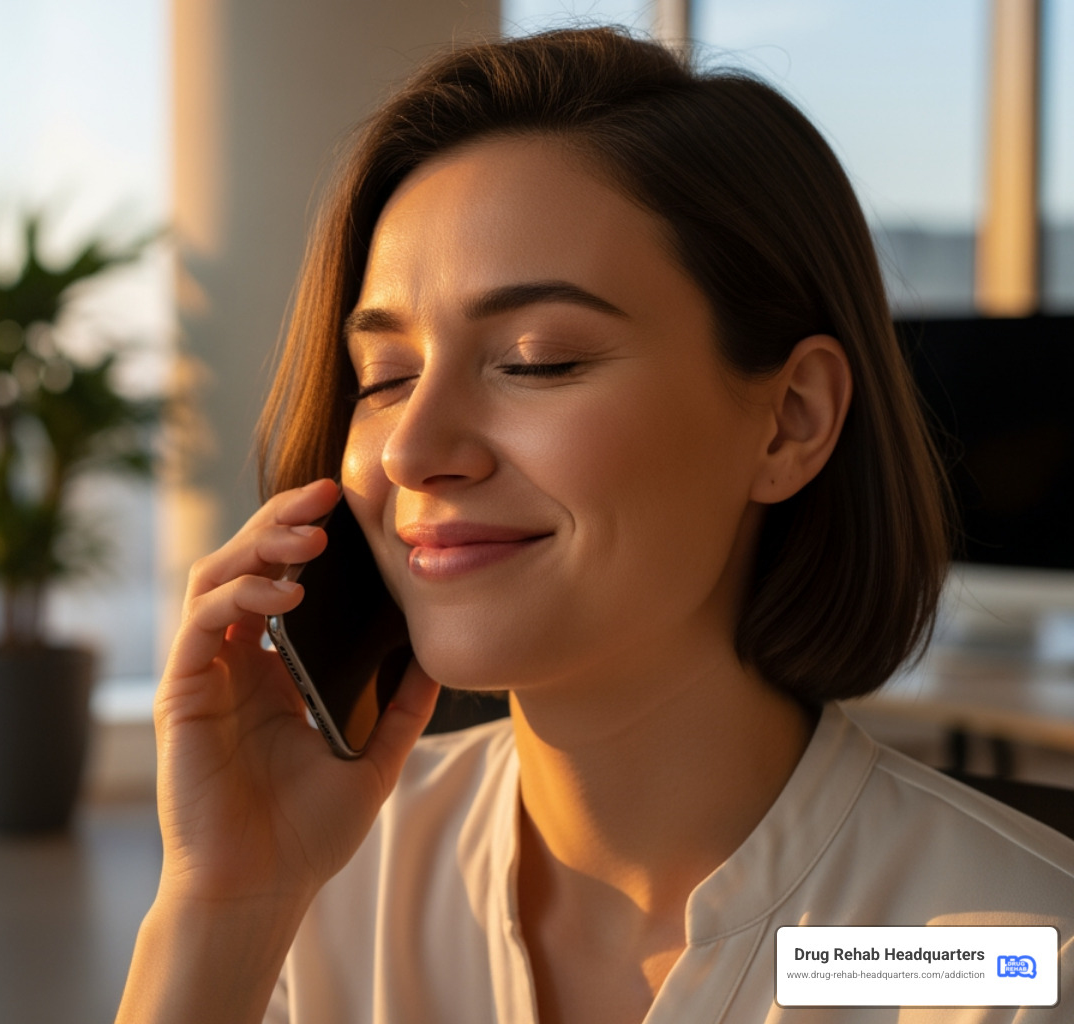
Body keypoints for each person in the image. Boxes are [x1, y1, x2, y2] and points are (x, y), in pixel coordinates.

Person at [116, 27, 1074, 1024]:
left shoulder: (1008, 964)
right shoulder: (324, 885)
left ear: (789, 420)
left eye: (536, 359)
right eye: (386, 378)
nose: (411, 451)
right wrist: (224, 908)